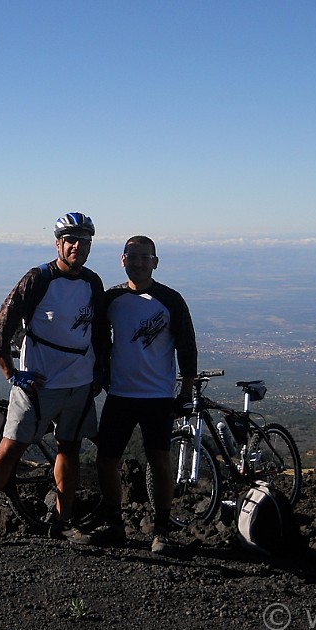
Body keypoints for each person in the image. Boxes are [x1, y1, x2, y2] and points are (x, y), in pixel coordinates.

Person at [0, 212, 109, 550]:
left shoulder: (92, 282)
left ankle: (63, 521)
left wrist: (100, 374)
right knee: (10, 448)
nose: (77, 246)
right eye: (70, 239)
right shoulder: (38, 278)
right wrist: (11, 374)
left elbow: (99, 331)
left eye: (84, 240)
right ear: (58, 243)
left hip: (79, 384)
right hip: (38, 386)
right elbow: (0, 327)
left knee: (68, 448)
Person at [94, 235, 197, 555]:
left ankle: (162, 529)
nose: (138, 262)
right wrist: (102, 373)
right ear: (122, 260)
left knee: (159, 461)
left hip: (157, 396)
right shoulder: (111, 299)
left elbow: (187, 347)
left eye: (144, 257)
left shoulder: (170, 300)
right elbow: (98, 339)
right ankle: (115, 525)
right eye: (132, 256)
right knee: (106, 459)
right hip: (121, 394)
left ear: (155, 262)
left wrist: (186, 391)